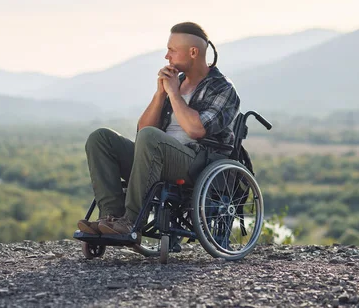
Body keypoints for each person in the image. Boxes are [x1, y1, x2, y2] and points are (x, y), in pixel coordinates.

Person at [77, 22, 240, 237]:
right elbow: (143, 131)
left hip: (196, 164)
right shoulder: (174, 82)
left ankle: (131, 222)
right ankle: (111, 218)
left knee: (151, 137)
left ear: (193, 52)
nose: (167, 56)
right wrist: (160, 95)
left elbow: (196, 130)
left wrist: (174, 94)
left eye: (172, 50)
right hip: (154, 157)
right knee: (100, 138)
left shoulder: (223, 88)